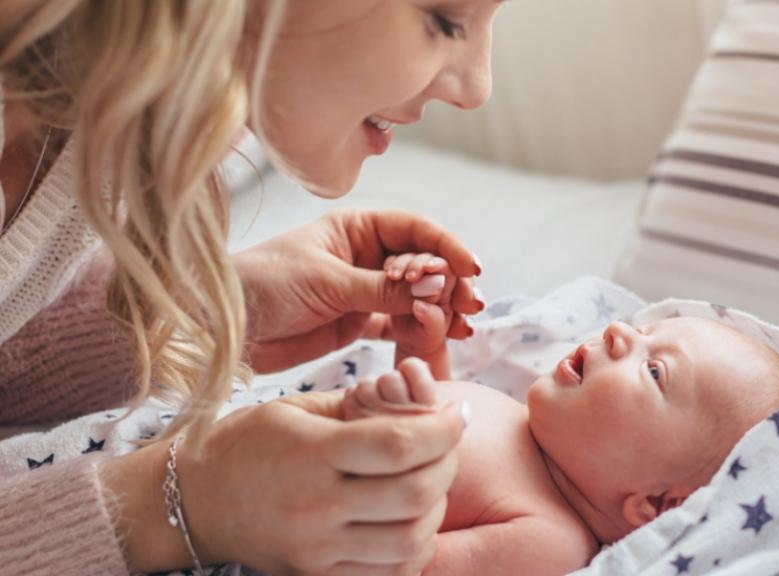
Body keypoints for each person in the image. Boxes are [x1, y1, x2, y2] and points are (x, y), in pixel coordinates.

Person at [0, 1, 507, 574]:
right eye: (444, 19)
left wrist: (203, 309)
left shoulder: (105, 106)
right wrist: (181, 505)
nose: (477, 88)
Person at [338, 261, 779, 574]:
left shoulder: (550, 539)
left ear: (657, 506)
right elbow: (436, 410)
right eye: (644, 330)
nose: (619, 331)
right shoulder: (517, 418)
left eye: (654, 370)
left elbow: (406, 565)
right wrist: (422, 351)